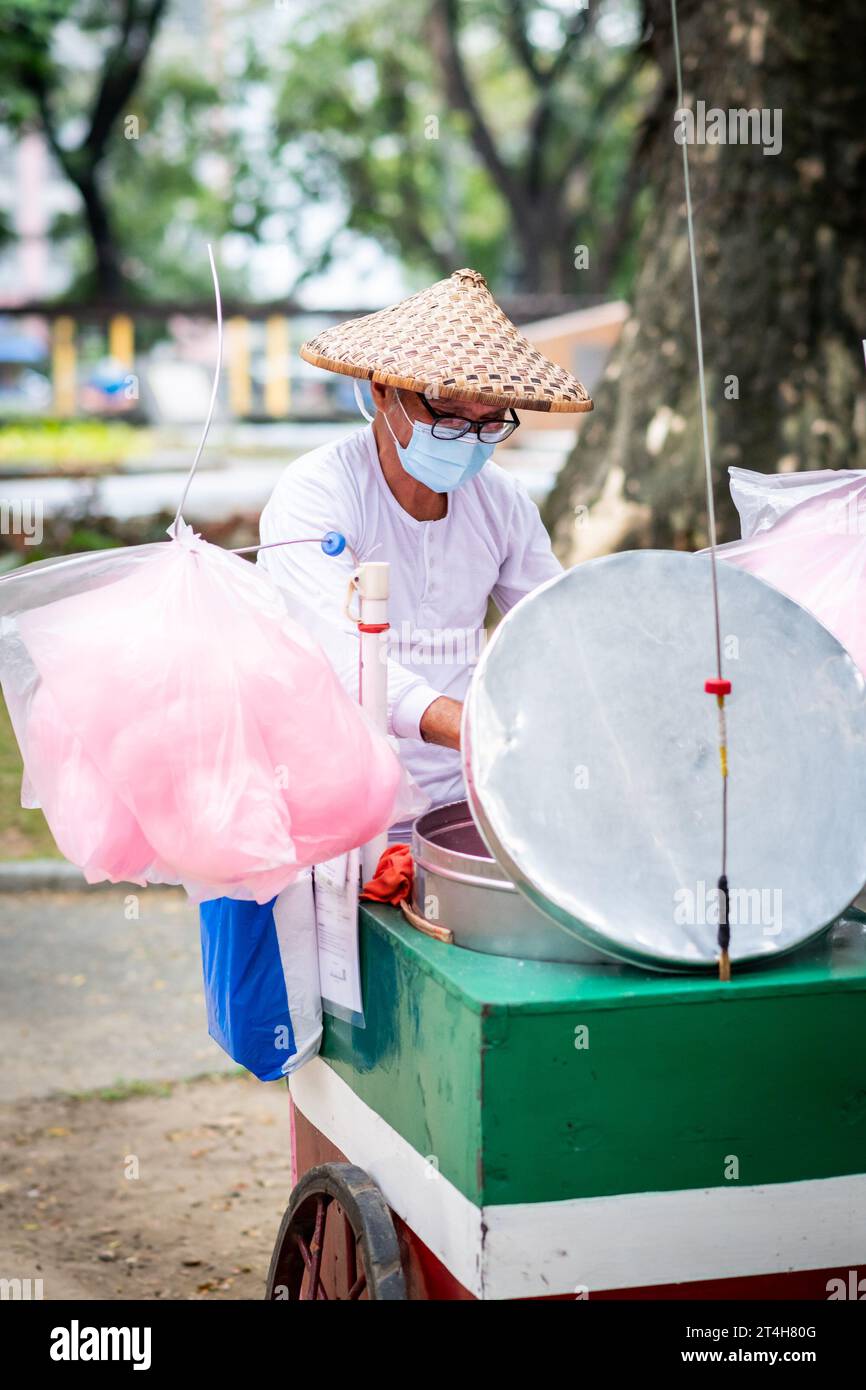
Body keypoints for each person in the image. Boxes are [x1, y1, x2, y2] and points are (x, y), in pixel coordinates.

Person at [199, 268, 591, 1078]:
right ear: (385, 392)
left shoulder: (504, 505)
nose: (470, 436)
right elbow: (343, 665)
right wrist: (477, 725)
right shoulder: (316, 496)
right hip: (339, 804)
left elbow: (553, 629)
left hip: (459, 798)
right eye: (450, 412)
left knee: (454, 1003)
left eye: (493, 422)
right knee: (336, 1026)